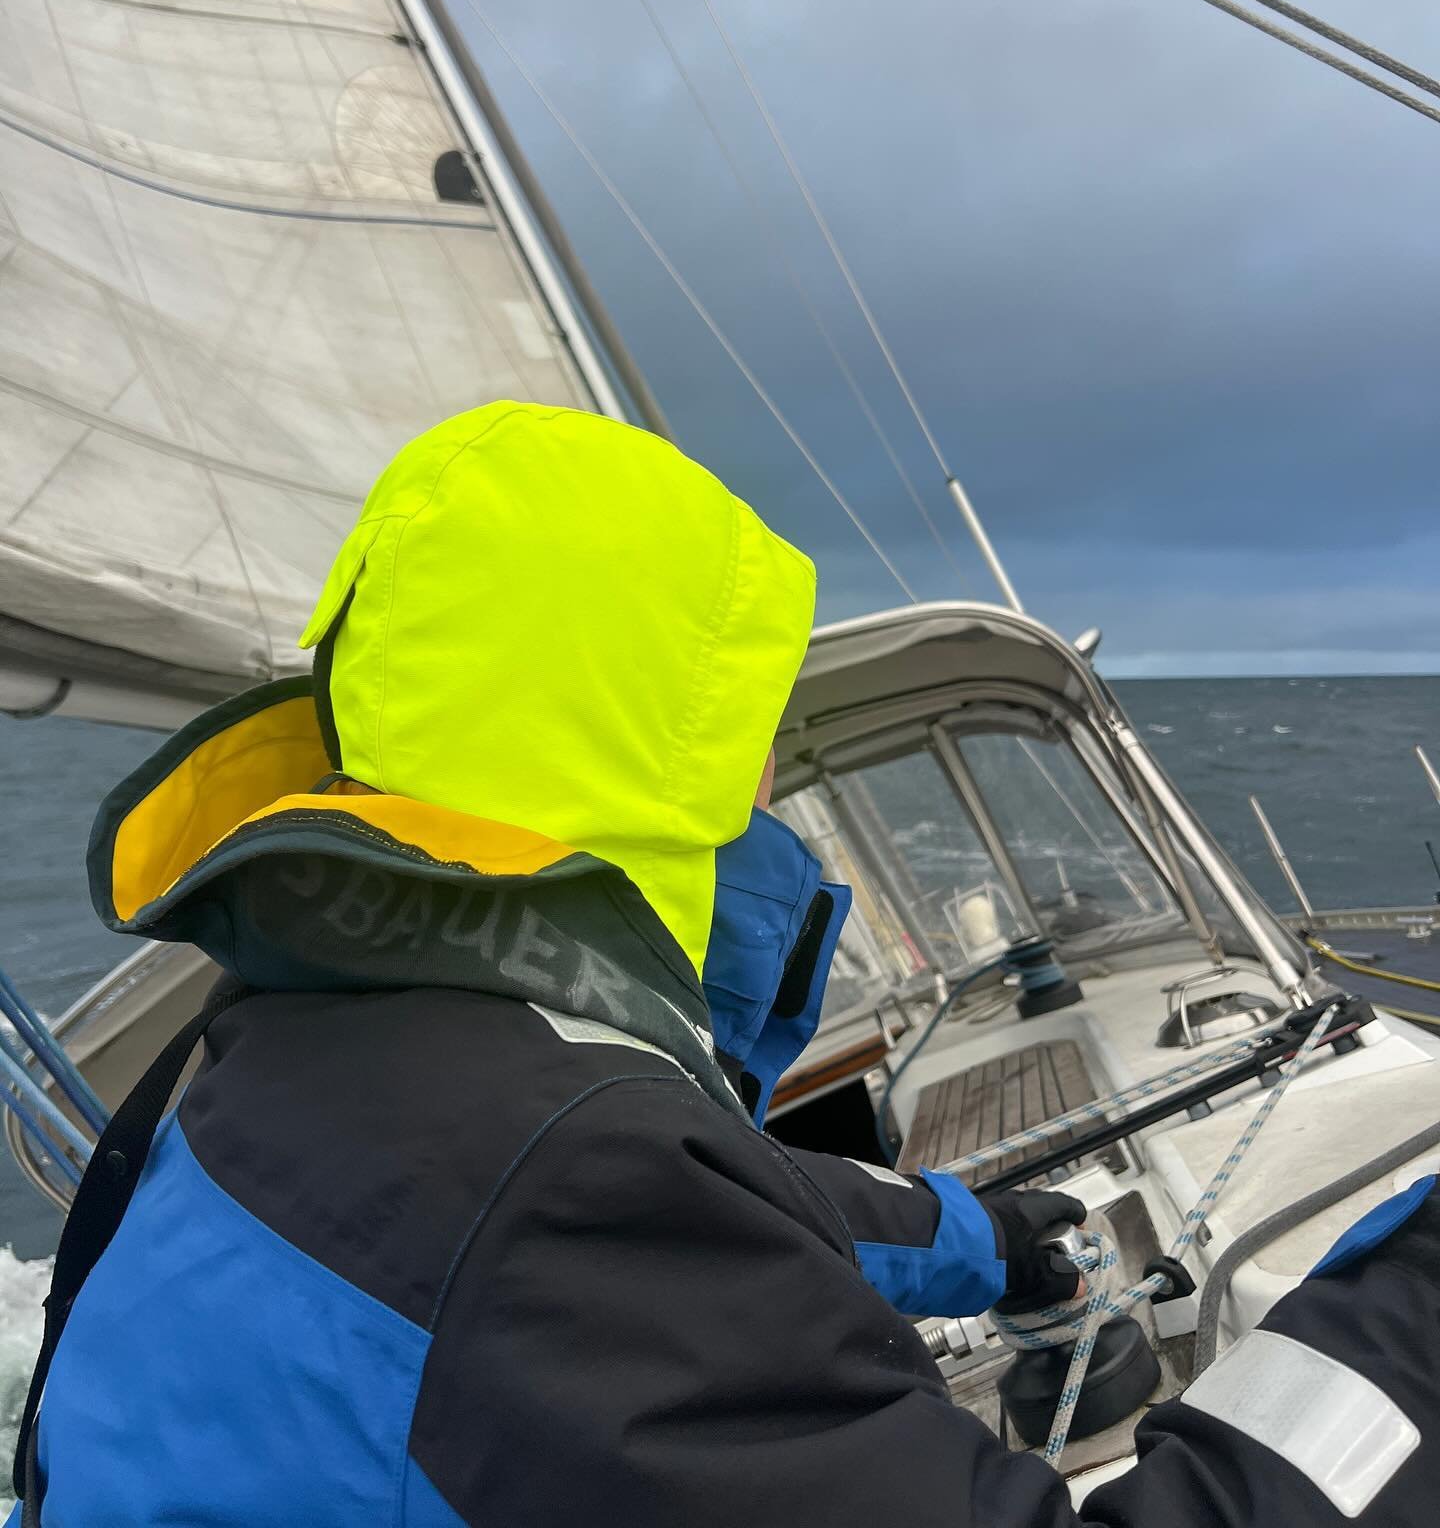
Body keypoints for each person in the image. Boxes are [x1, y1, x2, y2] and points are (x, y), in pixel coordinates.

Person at [14, 403, 1438, 1525]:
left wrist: (984, 1237)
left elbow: (724, 1208)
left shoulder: (281, 1055)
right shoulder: (551, 1178)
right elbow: (616, 1231)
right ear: (657, 751)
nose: (766, 767)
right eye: (745, 716)